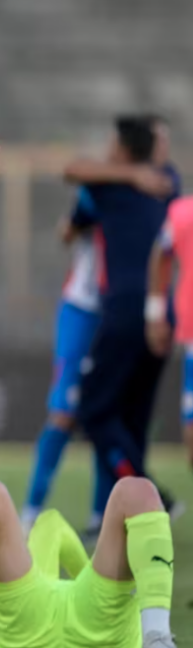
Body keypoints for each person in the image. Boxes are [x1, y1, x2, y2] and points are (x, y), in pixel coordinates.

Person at [24, 120, 178, 530]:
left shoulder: (160, 184)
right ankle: (30, 511)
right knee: (65, 412)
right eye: (159, 139)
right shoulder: (103, 185)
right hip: (85, 308)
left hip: (119, 311)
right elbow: (69, 221)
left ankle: (104, 515)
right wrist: (129, 175)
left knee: (110, 414)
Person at [0, 476, 186, 648]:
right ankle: (157, 635)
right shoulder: (52, 527)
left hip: (27, 626)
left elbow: (52, 528)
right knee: (137, 490)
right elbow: (62, 536)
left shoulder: (45, 524)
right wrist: (88, 576)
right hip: (102, 624)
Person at [70, 116, 181, 536]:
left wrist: (125, 173)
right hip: (163, 309)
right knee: (133, 416)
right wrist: (134, 172)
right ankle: (134, 517)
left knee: (93, 410)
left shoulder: (109, 185)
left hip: (126, 310)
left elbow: (72, 170)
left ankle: (150, 496)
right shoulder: (166, 182)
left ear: (123, 149)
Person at [145, 193, 193, 472]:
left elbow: (159, 255)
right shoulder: (183, 212)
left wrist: (155, 314)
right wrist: (155, 314)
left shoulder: (183, 212)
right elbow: (160, 255)